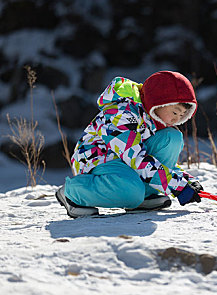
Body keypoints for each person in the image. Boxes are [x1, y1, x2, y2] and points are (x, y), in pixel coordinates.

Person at [55, 71, 203, 218]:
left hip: (126, 163)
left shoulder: (150, 118)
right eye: (175, 112)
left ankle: (145, 194)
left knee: (171, 137)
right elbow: (137, 158)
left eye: (182, 115)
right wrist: (177, 186)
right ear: (158, 102)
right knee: (132, 192)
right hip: (98, 162)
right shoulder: (122, 114)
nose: (176, 119)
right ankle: (73, 192)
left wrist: (186, 181)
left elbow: (149, 158)